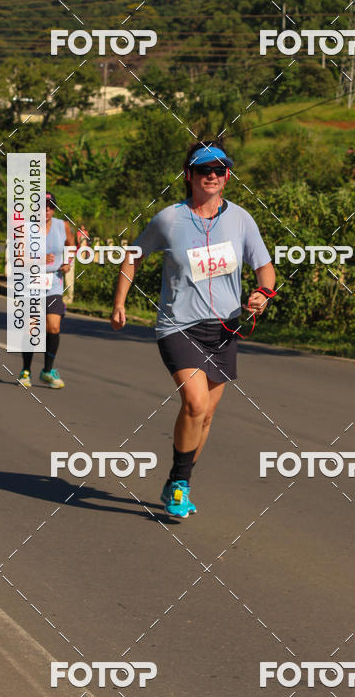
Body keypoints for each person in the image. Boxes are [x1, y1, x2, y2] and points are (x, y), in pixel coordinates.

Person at [111, 141, 276, 519]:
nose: (213, 176)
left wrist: (263, 293)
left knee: (206, 417)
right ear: (189, 176)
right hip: (177, 326)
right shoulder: (169, 219)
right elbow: (133, 256)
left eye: (220, 170)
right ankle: (181, 487)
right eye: (205, 170)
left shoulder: (241, 219)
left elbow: (264, 267)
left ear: (228, 175)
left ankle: (177, 479)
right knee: (195, 403)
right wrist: (120, 301)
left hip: (225, 329)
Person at [18, 192, 74, 389]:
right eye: (43, 206)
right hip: (32, 283)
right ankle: (26, 370)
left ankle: (48, 371)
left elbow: (71, 246)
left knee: (53, 327)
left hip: (54, 284)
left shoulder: (62, 226)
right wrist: (40, 260)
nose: (47, 210)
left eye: (50, 206)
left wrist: (67, 262)